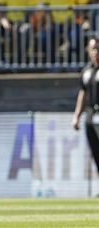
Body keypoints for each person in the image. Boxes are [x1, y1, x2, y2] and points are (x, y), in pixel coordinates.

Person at [72, 37, 99, 185]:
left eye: (98, 48)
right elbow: (82, 94)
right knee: (95, 152)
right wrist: (76, 116)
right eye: (93, 49)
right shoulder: (87, 71)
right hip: (91, 115)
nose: (96, 52)